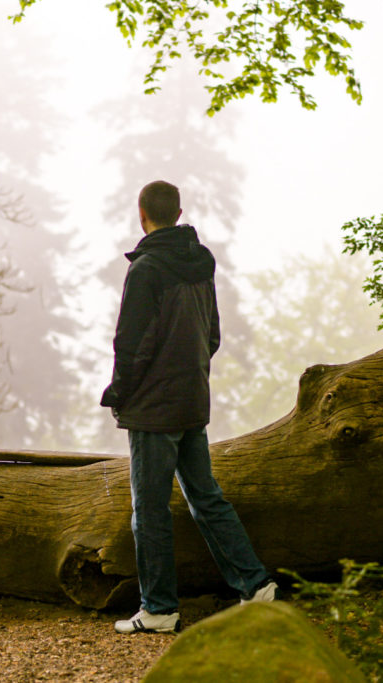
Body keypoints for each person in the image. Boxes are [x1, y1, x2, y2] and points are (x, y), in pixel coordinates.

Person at [101, 180, 280, 634]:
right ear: (178, 214)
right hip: (190, 399)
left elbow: (130, 343)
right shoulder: (201, 263)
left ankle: (159, 609)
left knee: (151, 510)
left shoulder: (145, 270)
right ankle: (256, 587)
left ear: (142, 214)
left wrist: (119, 392)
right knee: (207, 499)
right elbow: (212, 334)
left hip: (153, 409)